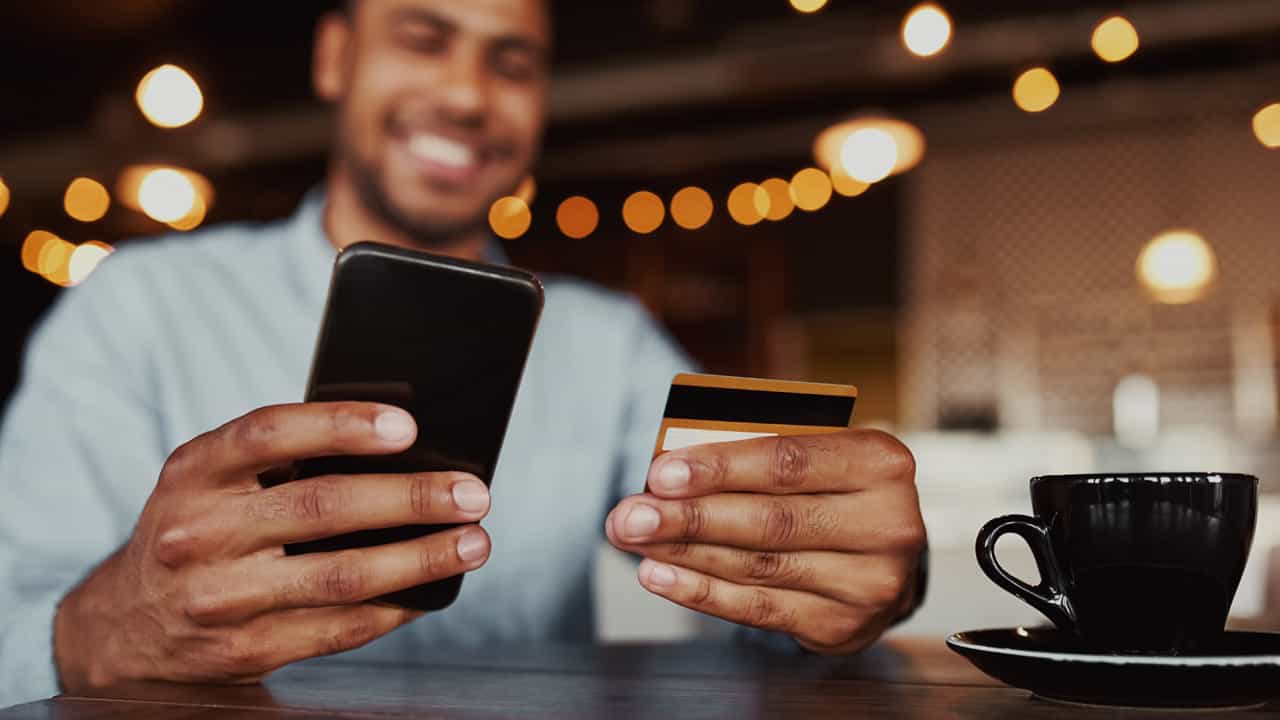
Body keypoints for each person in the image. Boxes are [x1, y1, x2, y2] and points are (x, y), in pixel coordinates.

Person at [0, 0, 926, 708]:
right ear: (335, 56)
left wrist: (862, 588)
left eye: (511, 62)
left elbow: (746, 604)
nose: (466, 95)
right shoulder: (137, 304)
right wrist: (95, 631)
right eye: (423, 37)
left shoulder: (609, 345)